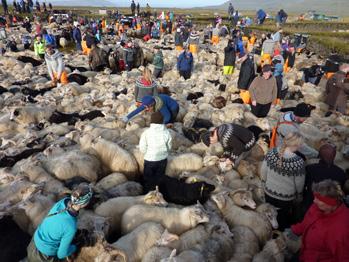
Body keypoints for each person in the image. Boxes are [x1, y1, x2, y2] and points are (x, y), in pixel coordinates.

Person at [27, 184, 93, 262]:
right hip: (43, 257)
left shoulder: (63, 202)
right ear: (84, 203)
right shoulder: (71, 226)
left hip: (34, 244)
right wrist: (76, 246)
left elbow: (60, 224)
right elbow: (61, 254)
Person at [288, 180, 349, 262]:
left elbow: (343, 257)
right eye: (315, 197)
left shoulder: (341, 229)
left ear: (330, 203)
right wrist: (296, 230)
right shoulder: (317, 206)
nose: (314, 201)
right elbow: (307, 220)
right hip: (305, 253)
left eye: (318, 199)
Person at [261, 132, 305, 230]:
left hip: (269, 192)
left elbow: (263, 171)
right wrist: (300, 194)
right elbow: (299, 183)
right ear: (296, 145)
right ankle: (281, 237)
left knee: (269, 217)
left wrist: (264, 184)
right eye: (301, 144)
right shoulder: (298, 162)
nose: (301, 146)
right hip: (286, 198)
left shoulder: (271, 152)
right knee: (281, 218)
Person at [303, 143, 347, 212]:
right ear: (334, 156)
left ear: (320, 156)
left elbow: (303, 186)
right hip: (329, 210)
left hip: (310, 206)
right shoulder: (341, 173)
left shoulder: (310, 169)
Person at [139, 112, 172, 193]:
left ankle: (147, 195)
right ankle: (158, 194)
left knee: (148, 179)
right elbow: (169, 147)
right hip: (162, 160)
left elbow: (142, 148)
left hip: (149, 160)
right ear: (162, 121)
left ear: (151, 121)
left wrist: (147, 153)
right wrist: (165, 153)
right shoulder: (167, 132)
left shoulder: (146, 133)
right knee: (159, 179)